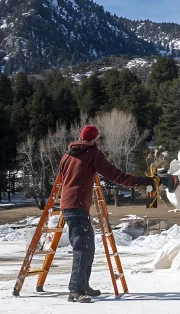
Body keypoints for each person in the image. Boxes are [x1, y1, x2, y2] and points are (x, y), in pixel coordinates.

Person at [58, 125, 156, 303]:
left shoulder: (67, 155)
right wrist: (143, 181)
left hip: (70, 204)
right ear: (95, 140)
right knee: (82, 248)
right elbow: (116, 176)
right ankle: (75, 290)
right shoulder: (92, 153)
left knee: (88, 247)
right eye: (99, 139)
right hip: (76, 206)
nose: (99, 142)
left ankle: (83, 285)